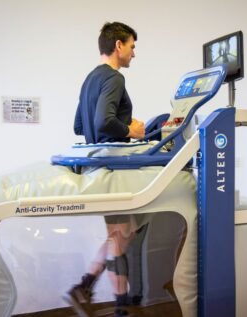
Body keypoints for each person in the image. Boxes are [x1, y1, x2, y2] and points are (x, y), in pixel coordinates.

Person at [65, 21, 146, 317]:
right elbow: (103, 122)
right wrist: (132, 131)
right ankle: (121, 306)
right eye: (132, 46)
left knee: (121, 235)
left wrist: (121, 125)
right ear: (118, 46)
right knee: (121, 237)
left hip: (97, 165)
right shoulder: (114, 78)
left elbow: (79, 125)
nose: (134, 53)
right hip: (112, 167)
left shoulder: (90, 79)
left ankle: (85, 286)